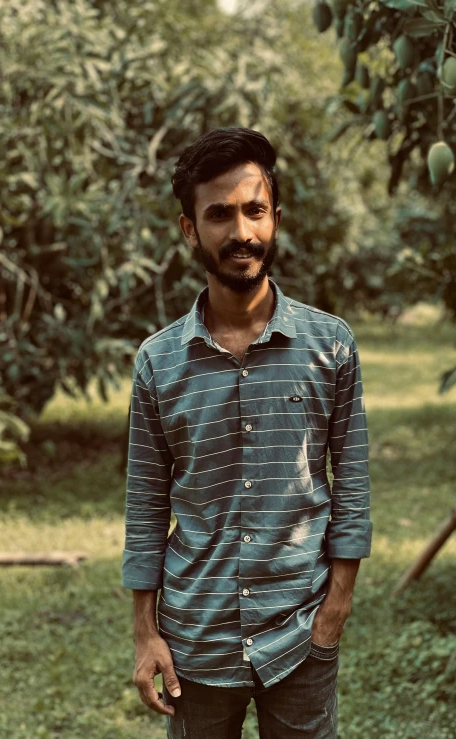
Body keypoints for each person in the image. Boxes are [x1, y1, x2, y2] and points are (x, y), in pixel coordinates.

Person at [122, 127, 372, 738]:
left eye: (254, 210)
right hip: (194, 643)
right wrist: (146, 634)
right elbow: (146, 507)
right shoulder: (158, 362)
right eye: (220, 215)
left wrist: (333, 612)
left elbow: (353, 486)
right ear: (190, 229)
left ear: (275, 218)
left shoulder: (329, 344)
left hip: (301, 635)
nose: (241, 232)